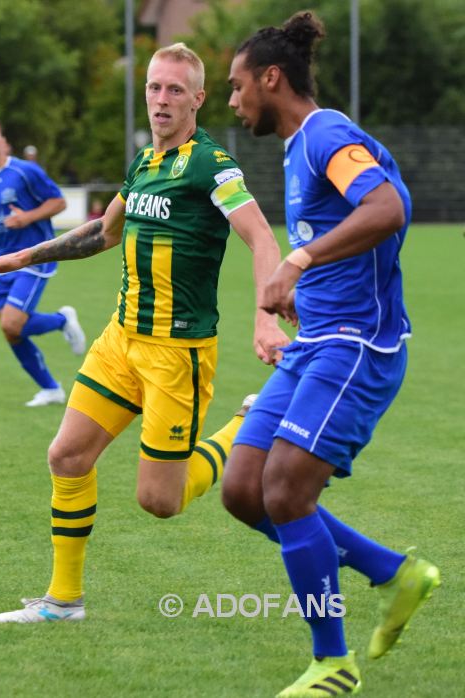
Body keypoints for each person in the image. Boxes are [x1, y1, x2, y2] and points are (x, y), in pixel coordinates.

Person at [0, 43, 288, 623]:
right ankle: (63, 601)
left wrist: (265, 315)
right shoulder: (145, 162)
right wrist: (23, 258)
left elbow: (263, 238)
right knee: (67, 456)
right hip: (121, 341)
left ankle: (252, 423)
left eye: (175, 89)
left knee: (159, 502)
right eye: (153, 87)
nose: (162, 99)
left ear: (198, 98)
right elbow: (101, 233)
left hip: (177, 355)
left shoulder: (210, 164)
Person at [223, 11, 440, 697]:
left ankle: (333, 664)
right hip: (316, 340)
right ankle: (394, 572)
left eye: (235, 87)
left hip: (357, 347)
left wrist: (299, 258)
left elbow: (387, 207)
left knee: (286, 490)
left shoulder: (326, 134)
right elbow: (352, 228)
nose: (233, 102)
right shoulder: (295, 148)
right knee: (242, 491)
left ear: (270, 78)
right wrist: (303, 288)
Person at [0, 115, 86, 407]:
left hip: (36, 257)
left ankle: (63, 320)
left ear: (1, 140)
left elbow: (59, 202)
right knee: (10, 330)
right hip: (4, 262)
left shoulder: (25, 171)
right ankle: (51, 388)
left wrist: (27, 217)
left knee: (12, 324)